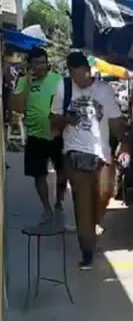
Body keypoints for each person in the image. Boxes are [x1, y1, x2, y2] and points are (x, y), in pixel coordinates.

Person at [50, 52, 125, 270]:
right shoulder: (63, 88)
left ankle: (91, 226)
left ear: (88, 70)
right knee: (83, 203)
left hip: (101, 154)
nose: (78, 81)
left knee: (104, 194)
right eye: (74, 76)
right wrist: (66, 119)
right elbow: (53, 119)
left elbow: (116, 121)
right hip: (74, 152)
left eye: (81, 75)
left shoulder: (104, 90)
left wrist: (125, 143)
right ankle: (87, 251)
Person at [10, 47, 66, 223]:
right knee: (39, 174)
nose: (41, 66)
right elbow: (17, 107)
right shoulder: (23, 81)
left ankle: (59, 200)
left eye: (43, 62)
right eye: (37, 63)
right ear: (30, 65)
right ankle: (46, 208)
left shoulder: (57, 80)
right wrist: (26, 83)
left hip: (57, 134)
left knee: (62, 172)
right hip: (35, 135)